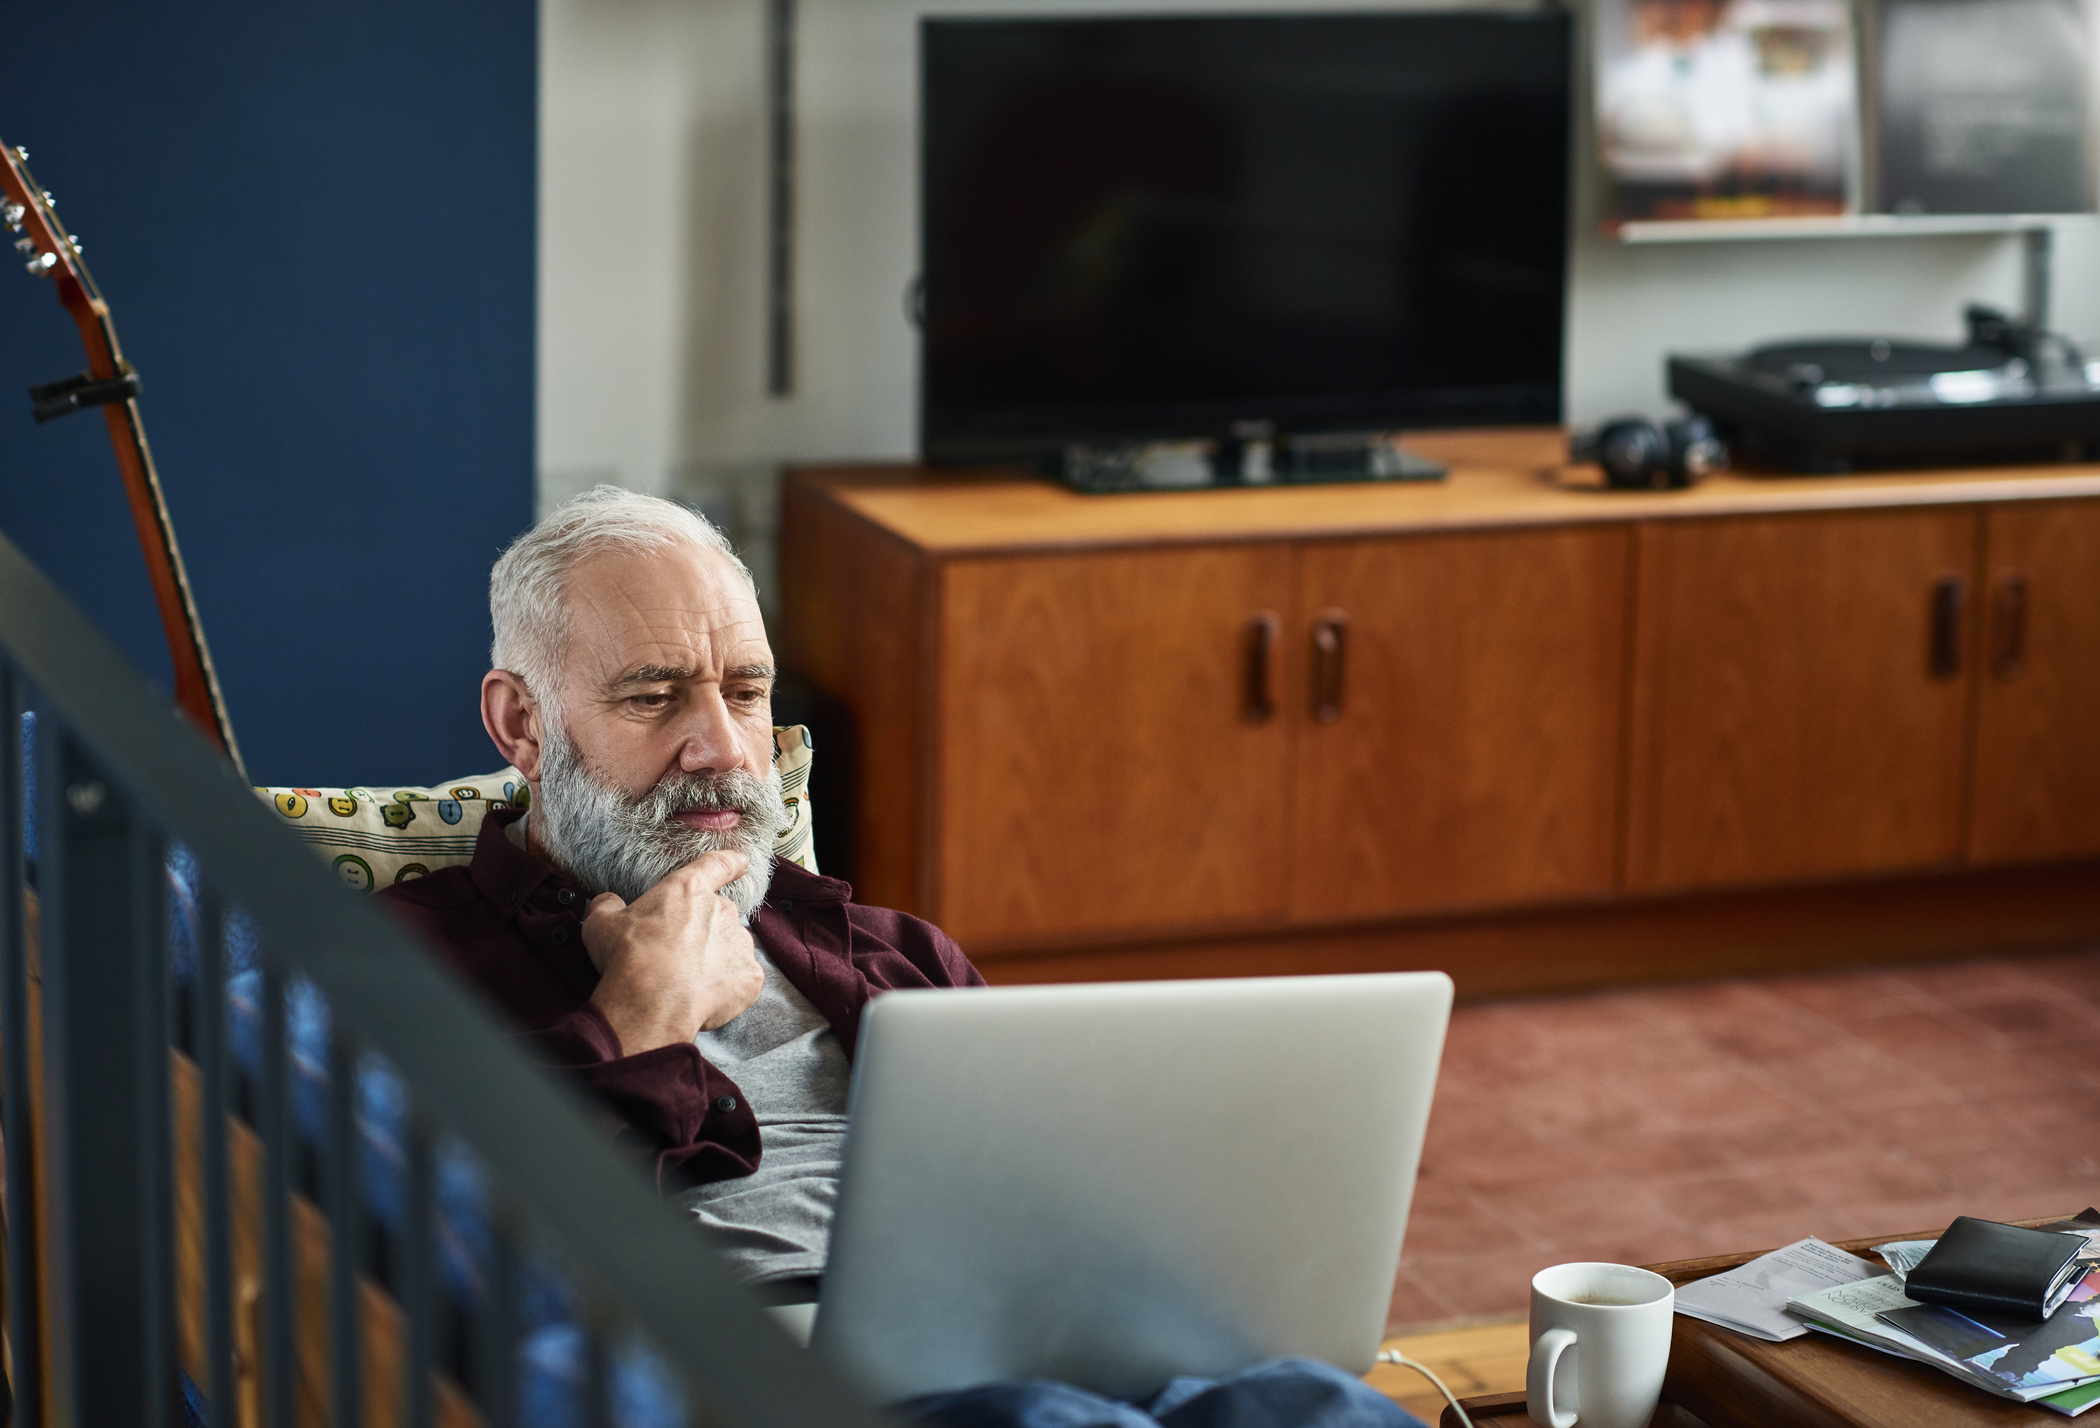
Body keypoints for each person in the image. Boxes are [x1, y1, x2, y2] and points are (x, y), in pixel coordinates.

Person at [379, 487, 1422, 1428]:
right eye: (654, 698)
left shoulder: (893, 955)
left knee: (1323, 1404)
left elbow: (1045, 1206)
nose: (726, 750)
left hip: (1019, 1348)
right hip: (735, 1384)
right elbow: (444, 1264)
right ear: (522, 722)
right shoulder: (400, 961)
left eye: (745, 692)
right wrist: (639, 1022)